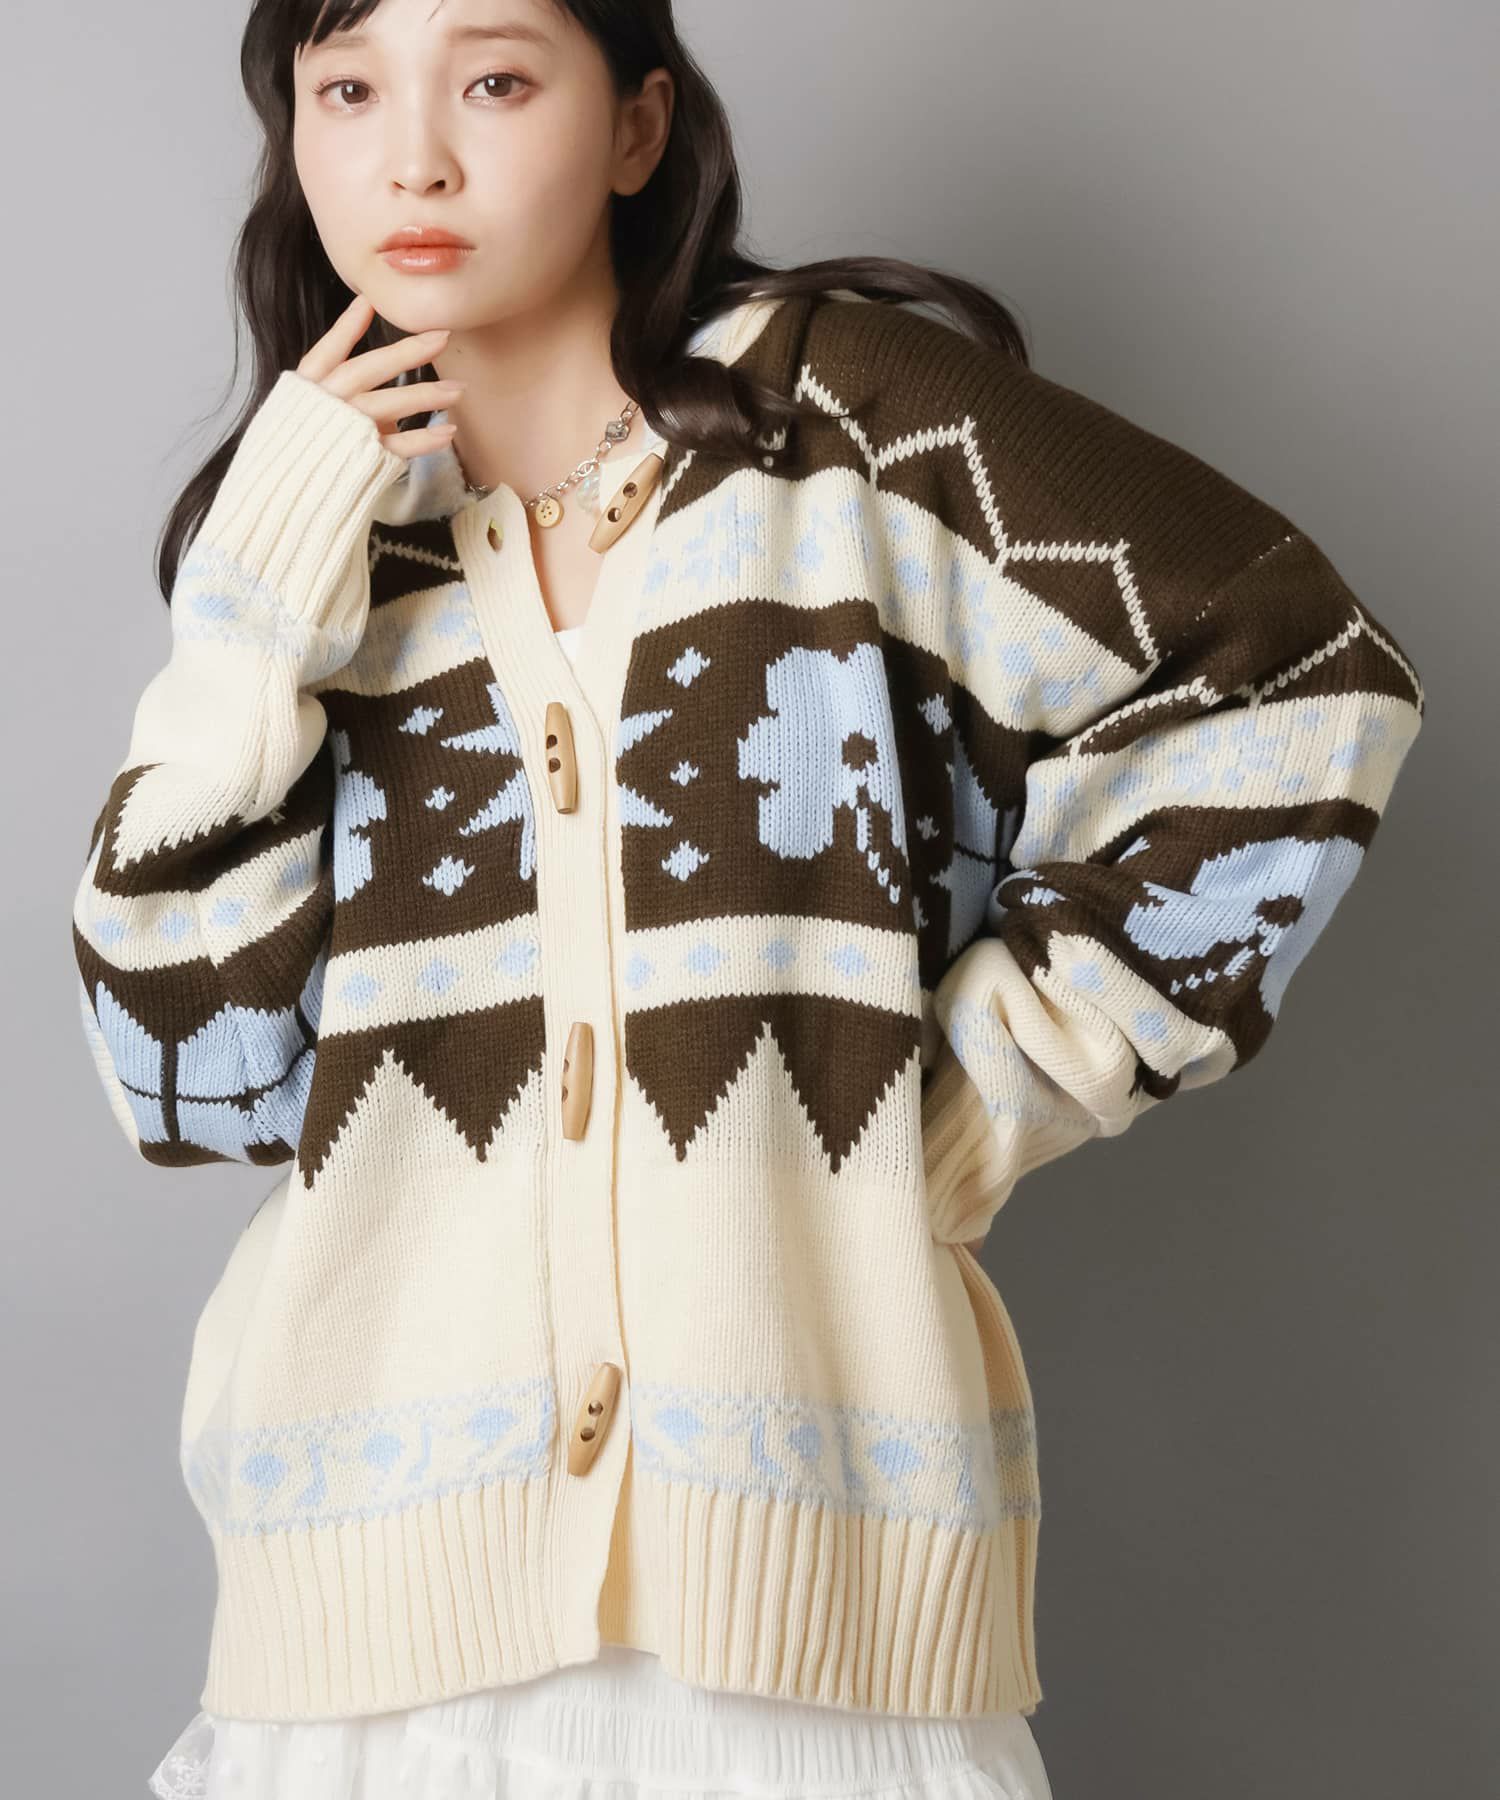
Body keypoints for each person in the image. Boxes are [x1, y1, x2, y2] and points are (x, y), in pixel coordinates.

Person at [67, 1, 1423, 1796]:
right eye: (347, 89)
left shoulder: (840, 430)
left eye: (494, 79)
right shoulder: (320, 547)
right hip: (366, 1634)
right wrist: (245, 635)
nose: (414, 158)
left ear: (637, 127)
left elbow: (1298, 680)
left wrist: (985, 1092)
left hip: (815, 1613)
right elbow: (200, 1079)